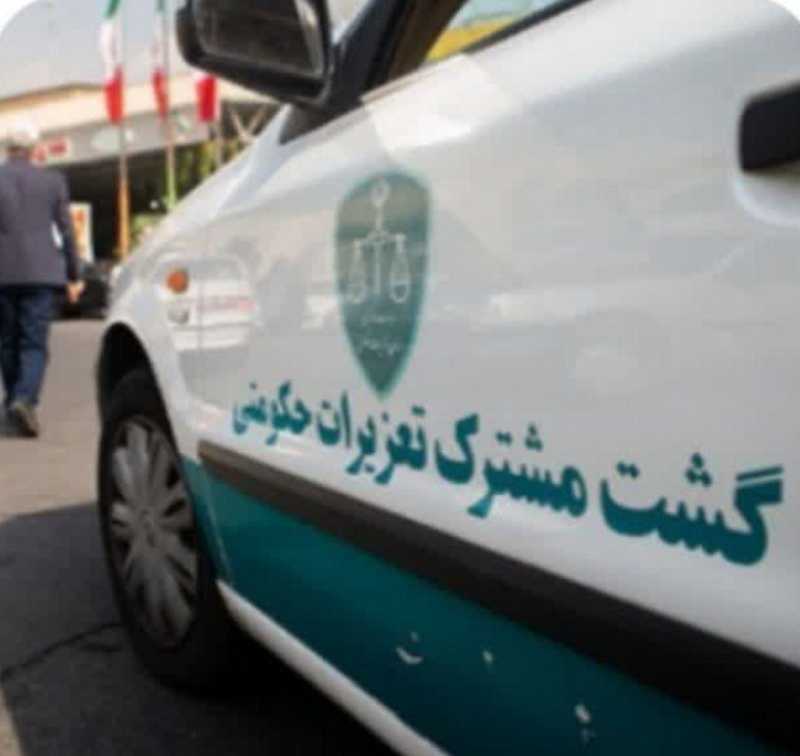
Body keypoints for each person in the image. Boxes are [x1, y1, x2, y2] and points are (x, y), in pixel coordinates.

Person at [0, 119, 83, 437]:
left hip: (3, 274)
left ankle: (14, 401)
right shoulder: (52, 181)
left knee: (7, 341)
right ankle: (23, 399)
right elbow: (66, 230)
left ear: (7, 147)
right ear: (34, 148)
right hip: (41, 273)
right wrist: (74, 273)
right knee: (33, 343)